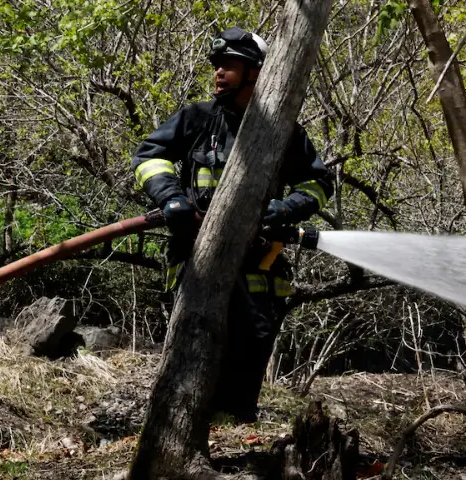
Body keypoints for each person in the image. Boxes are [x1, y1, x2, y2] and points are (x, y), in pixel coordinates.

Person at [130, 26, 334, 422]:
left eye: (230, 65)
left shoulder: (282, 131)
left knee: (252, 343)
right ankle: (180, 426)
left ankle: (235, 426)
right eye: (217, 65)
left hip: (257, 264)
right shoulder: (196, 119)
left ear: (256, 72)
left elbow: (318, 182)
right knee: (195, 341)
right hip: (197, 256)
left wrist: (285, 209)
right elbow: (148, 156)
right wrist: (170, 197)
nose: (219, 73)